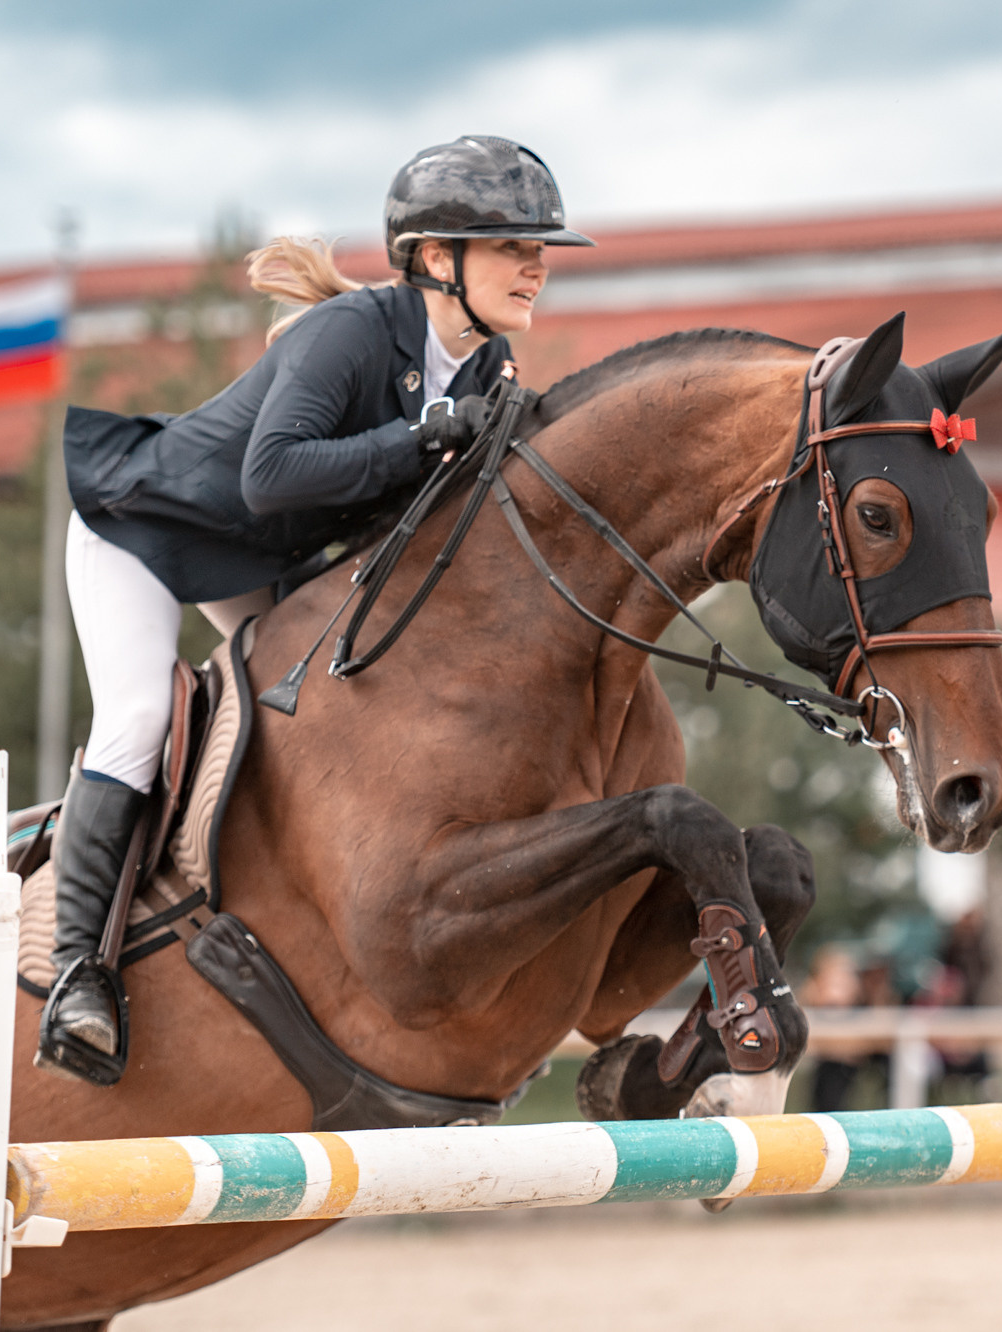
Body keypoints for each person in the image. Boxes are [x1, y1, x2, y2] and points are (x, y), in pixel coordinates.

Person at [39, 136, 594, 1083]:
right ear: (434, 259)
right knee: (138, 716)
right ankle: (74, 975)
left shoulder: (487, 370)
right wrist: (416, 438)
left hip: (257, 561)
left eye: (539, 246)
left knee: (338, 708)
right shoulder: (351, 334)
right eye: (511, 245)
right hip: (144, 532)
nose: (537, 263)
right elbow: (272, 476)